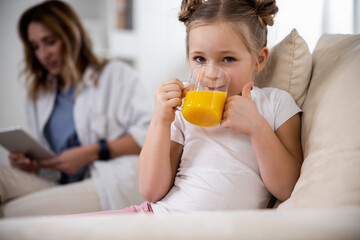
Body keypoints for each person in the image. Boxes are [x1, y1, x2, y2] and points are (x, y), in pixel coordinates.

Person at [88, 0, 302, 215]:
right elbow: (150, 191)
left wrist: (258, 128)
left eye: (228, 59)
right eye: (199, 58)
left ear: (259, 59)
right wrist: (161, 120)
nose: (210, 73)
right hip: (158, 218)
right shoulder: (182, 108)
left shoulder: (275, 104)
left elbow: (289, 189)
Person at [0, 0, 152, 217]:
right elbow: (51, 159)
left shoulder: (115, 75)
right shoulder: (39, 95)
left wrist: (92, 152)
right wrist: (34, 166)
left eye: (49, 42)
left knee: (12, 212)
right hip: (58, 182)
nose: (43, 54)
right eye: (35, 46)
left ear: (71, 37)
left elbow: (151, 135)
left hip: (106, 181)